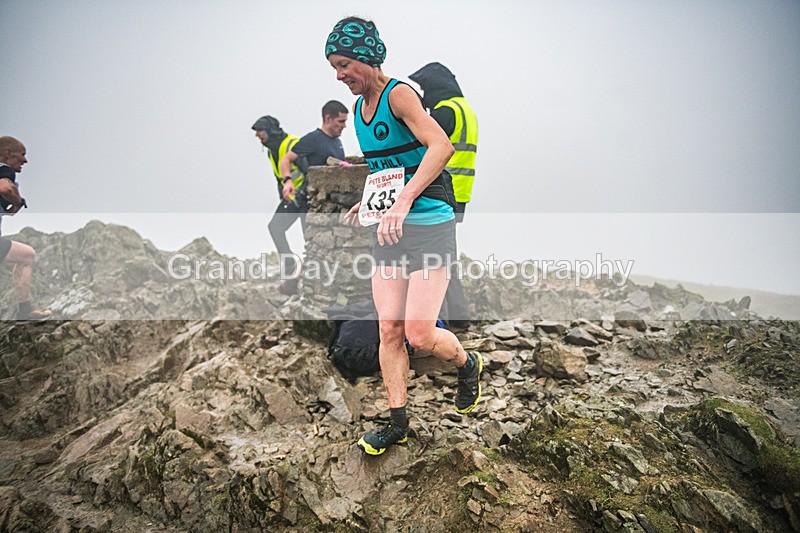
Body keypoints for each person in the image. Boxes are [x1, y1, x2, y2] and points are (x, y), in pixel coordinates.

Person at [326, 17, 483, 456]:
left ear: (366, 56)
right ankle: (397, 424)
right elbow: (385, 169)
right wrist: (371, 200)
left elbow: (440, 147)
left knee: (419, 333)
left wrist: (402, 203)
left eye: (344, 64)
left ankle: (468, 364)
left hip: (430, 225)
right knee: (389, 329)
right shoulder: (358, 111)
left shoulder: (400, 94)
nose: (340, 75)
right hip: (390, 230)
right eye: (334, 68)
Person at [409, 62, 479, 328]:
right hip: (460, 193)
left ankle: (448, 322)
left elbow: (421, 144)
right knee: (445, 256)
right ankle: (457, 318)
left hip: (441, 192)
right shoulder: (465, 109)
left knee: (437, 260)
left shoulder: (446, 111)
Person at [0, 136, 52, 321]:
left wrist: (13, 204)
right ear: (8, 153)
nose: (25, 160)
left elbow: (9, 210)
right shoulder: (4, 169)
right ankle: (24, 312)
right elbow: (5, 189)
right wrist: (18, 200)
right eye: (22, 154)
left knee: (25, 254)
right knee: (27, 256)